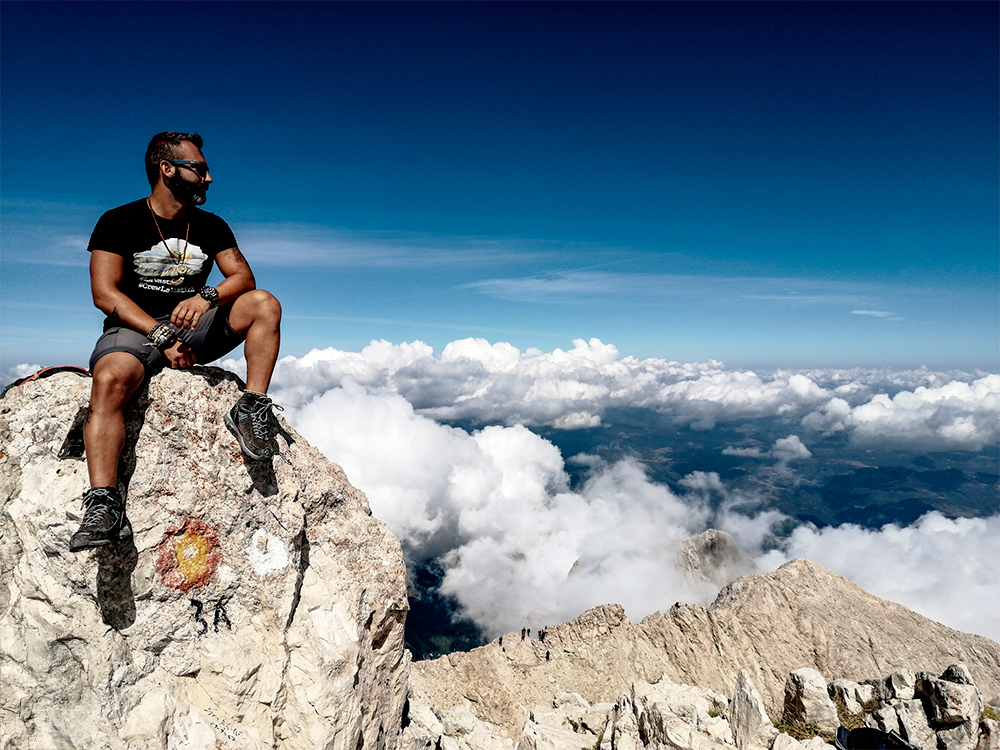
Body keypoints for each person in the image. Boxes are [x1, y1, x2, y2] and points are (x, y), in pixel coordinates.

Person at [69, 132, 282, 552]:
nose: (209, 178)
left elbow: (243, 279)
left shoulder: (211, 225)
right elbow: (104, 294)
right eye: (199, 169)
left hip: (194, 329)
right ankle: (104, 505)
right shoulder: (118, 221)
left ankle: (251, 408)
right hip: (136, 328)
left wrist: (204, 297)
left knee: (263, 304)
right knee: (111, 379)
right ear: (167, 169)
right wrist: (160, 333)